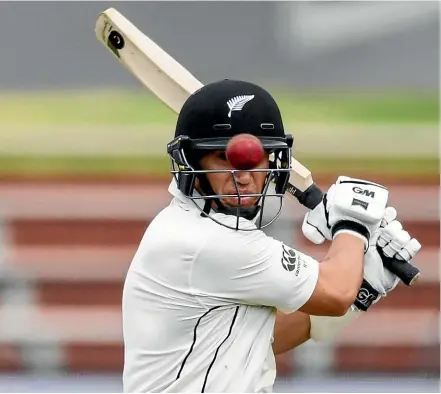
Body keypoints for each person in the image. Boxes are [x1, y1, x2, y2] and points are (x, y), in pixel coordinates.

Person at [121, 79, 421, 393]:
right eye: (224, 158)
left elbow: (256, 341)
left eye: (258, 157)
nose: (245, 177)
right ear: (193, 163)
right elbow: (334, 292)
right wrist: (354, 226)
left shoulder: (196, 226)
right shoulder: (208, 242)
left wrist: (364, 286)